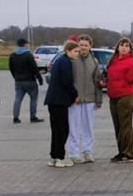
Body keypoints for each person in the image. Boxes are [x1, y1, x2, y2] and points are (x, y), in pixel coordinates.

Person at [67, 34, 102, 163]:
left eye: (86, 45)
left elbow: (98, 81)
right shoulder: (72, 60)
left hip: (90, 99)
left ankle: (88, 151)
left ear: (90, 46)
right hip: (74, 100)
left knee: (88, 128)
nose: (83, 47)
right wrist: (71, 96)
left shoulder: (94, 61)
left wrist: (98, 99)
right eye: (81, 45)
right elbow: (67, 80)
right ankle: (73, 153)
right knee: (74, 128)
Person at [106, 38, 133, 163]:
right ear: (118, 47)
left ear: (130, 49)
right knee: (118, 126)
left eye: (127, 46)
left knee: (125, 126)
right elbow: (110, 78)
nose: (124, 48)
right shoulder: (113, 61)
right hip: (113, 97)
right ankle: (121, 152)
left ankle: (128, 153)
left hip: (125, 97)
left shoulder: (132, 62)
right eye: (122, 45)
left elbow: (132, 79)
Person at [45, 40, 79, 168]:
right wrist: (75, 95)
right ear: (68, 51)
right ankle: (60, 157)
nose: (77, 53)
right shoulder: (65, 62)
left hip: (53, 101)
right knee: (62, 130)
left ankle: (53, 157)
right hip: (59, 101)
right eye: (75, 51)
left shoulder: (60, 60)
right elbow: (67, 82)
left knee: (56, 130)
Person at [8, 38, 44, 124]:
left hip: (18, 81)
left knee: (18, 99)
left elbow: (11, 68)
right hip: (30, 80)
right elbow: (34, 68)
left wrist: (15, 77)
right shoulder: (28, 55)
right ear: (24, 44)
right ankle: (33, 117)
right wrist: (40, 78)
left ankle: (16, 118)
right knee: (33, 99)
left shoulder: (13, 55)